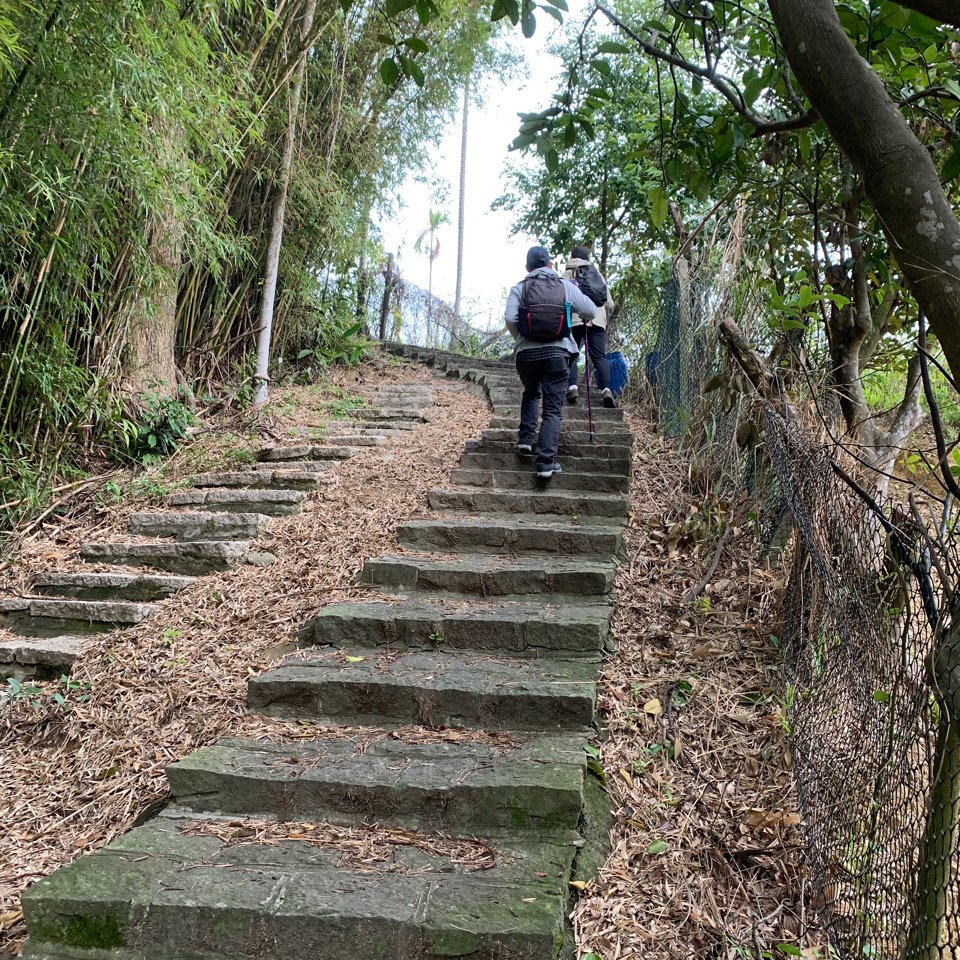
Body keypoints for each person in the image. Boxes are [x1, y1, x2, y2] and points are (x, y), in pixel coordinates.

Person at [504, 245, 597, 479]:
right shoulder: (564, 286)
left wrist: (522, 339)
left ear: (527, 268)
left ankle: (525, 440)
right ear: (550, 264)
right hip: (558, 353)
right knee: (553, 410)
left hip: (527, 355)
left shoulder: (519, 288)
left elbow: (510, 317)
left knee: (531, 392)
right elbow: (590, 311)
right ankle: (546, 463)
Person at [563, 245, 616, 407]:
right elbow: (610, 303)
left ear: (572, 256)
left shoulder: (567, 273)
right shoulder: (597, 274)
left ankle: (572, 387)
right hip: (598, 320)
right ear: (587, 258)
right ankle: (607, 390)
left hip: (576, 318)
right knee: (599, 356)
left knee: (571, 352)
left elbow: (561, 297)